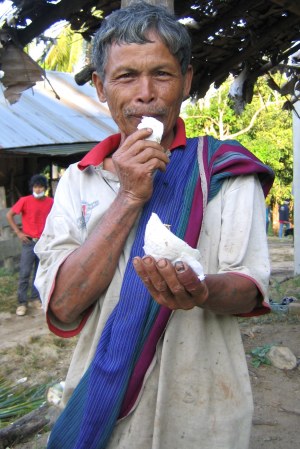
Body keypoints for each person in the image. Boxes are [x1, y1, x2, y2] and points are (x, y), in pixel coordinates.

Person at [34, 3, 274, 449]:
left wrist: (202, 291)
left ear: (185, 82)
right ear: (102, 88)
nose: (146, 93)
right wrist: (128, 197)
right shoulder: (79, 179)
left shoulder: (223, 171)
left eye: (162, 74)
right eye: (126, 77)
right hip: (100, 404)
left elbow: (249, 287)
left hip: (203, 410)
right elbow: (63, 307)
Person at [6, 174, 53, 316]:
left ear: (45, 188)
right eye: (35, 186)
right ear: (32, 187)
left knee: (40, 273)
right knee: (25, 272)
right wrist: (18, 232)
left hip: (44, 243)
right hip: (29, 242)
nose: (38, 189)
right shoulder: (25, 201)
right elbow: (9, 215)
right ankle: (21, 303)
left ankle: (35, 298)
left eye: (40, 187)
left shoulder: (51, 202)